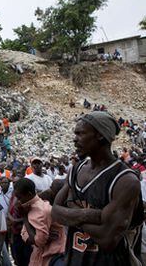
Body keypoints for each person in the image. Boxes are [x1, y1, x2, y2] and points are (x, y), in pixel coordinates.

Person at [52, 111, 144, 265]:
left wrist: (71, 215)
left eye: (81, 133)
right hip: (74, 259)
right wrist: (88, 215)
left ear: (100, 135)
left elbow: (108, 239)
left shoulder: (125, 180)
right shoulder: (76, 169)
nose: (75, 139)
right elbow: (55, 213)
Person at [14, 178, 66, 266]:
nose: (18, 201)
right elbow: (23, 233)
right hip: (39, 255)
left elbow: (39, 242)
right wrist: (33, 236)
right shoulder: (27, 207)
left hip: (52, 256)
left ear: (29, 194)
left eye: (19, 197)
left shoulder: (41, 211)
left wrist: (25, 218)